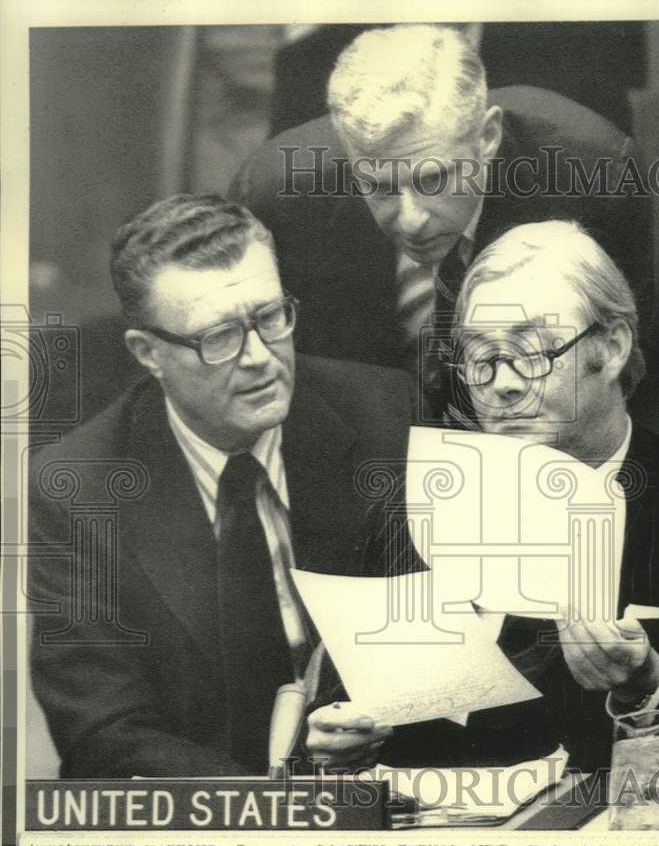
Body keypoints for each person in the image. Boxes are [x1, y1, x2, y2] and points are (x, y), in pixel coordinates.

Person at [307, 221, 659, 771]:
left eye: (532, 351)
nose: (503, 384)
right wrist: (339, 742)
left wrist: (647, 687)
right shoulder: (411, 508)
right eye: (480, 357)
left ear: (611, 348)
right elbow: (338, 706)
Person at [27, 194, 415, 778]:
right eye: (218, 338)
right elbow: (104, 730)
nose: (259, 358)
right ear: (148, 354)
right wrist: (268, 809)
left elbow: (447, 644)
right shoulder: (80, 491)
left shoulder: (386, 417)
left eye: (269, 317)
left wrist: (371, 726)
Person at [229, 24, 659, 431]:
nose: (411, 219)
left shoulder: (592, 172)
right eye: (377, 187)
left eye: (433, 179)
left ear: (487, 136)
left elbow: (619, 377)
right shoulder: (277, 196)